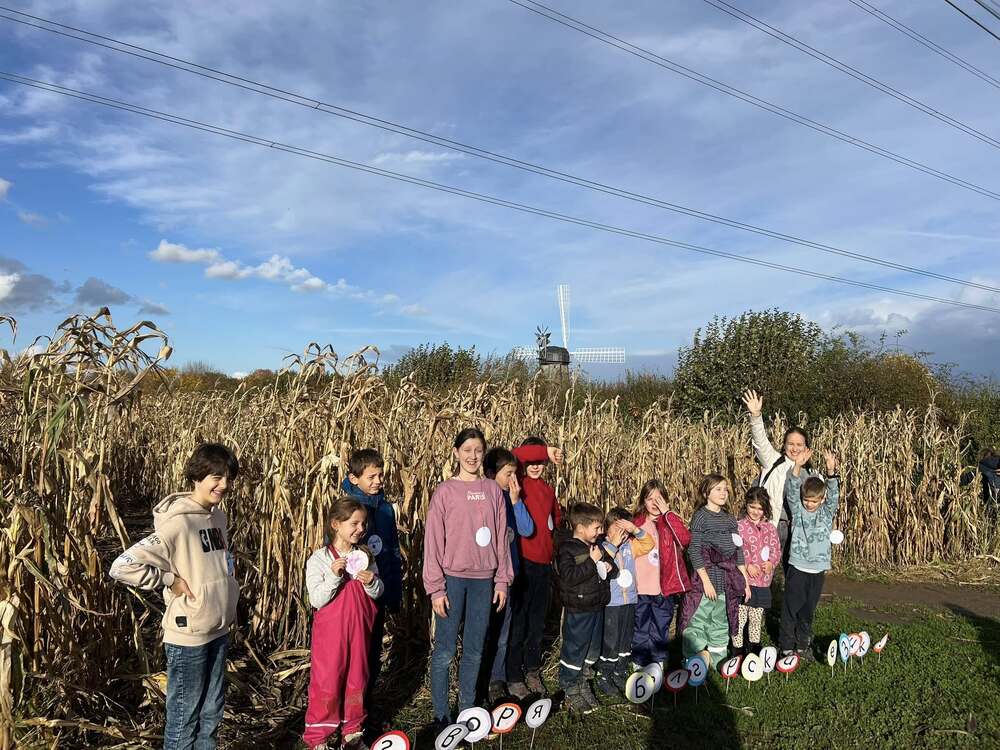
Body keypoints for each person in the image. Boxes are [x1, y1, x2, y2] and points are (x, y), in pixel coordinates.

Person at [109, 443, 240, 750]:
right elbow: (121, 566)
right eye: (216, 477)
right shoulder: (178, 522)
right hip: (188, 636)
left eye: (228, 477)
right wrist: (168, 578)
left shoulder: (217, 518)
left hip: (218, 630)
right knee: (184, 720)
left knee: (211, 715)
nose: (224, 485)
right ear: (197, 476)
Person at [423, 428, 513, 731]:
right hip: (452, 580)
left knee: (474, 649)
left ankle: (466, 711)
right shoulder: (445, 492)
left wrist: (502, 580)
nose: (473, 456)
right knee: (445, 651)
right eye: (467, 450)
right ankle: (440, 716)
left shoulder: (493, 491)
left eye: (478, 450)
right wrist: (436, 588)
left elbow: (502, 538)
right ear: (456, 452)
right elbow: (433, 542)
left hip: (483, 581)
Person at [303, 497, 384, 750]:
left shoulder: (365, 556)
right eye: (354, 523)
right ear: (336, 524)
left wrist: (372, 582)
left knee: (357, 677)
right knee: (327, 680)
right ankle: (320, 736)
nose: (361, 529)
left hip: (359, 630)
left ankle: (352, 731)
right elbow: (317, 598)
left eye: (363, 524)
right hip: (331, 635)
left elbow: (378, 591)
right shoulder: (319, 559)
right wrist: (333, 577)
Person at [340, 448, 402, 715]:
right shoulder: (347, 510)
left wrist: (394, 591)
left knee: (372, 655)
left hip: (379, 590)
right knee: (356, 658)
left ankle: (364, 709)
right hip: (355, 597)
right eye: (371, 476)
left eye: (381, 475)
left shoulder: (385, 509)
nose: (378, 481)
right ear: (354, 479)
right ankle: (349, 714)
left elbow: (392, 551)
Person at [506, 437, 564, 698]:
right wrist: (546, 450)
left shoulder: (548, 490)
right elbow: (513, 454)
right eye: (532, 461)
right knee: (519, 621)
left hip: (543, 565)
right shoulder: (519, 483)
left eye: (540, 462)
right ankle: (513, 675)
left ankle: (532, 669)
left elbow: (556, 519)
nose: (536, 465)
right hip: (523, 564)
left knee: (537, 622)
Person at [479, 447, 535, 704]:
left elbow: (526, 529)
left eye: (515, 473)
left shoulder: (510, 500)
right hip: (486, 578)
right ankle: (481, 681)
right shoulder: (484, 499)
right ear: (491, 474)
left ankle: (496, 680)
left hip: (509, 577)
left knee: (502, 634)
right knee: (485, 633)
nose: (515, 479)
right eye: (509, 473)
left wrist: (516, 499)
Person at [678, 475, 752, 668]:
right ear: (706, 493)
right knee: (699, 619)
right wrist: (706, 581)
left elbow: (738, 550)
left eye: (725, 489)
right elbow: (694, 550)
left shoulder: (729, 519)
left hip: (725, 580)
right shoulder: (701, 516)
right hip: (705, 580)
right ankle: (693, 659)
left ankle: (717, 658)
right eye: (718, 489)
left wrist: (744, 579)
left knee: (720, 620)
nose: (723, 493)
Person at [741, 389, 820, 568]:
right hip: (772, 524)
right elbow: (760, 440)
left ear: (806, 447)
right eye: (790, 444)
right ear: (784, 445)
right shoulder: (773, 460)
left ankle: (789, 596)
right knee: (762, 566)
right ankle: (761, 596)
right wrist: (755, 415)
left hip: (797, 529)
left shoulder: (811, 474)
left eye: (799, 445)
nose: (794, 448)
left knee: (793, 570)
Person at [555, 503, 619, 714]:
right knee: (575, 648)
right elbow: (569, 577)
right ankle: (569, 685)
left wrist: (610, 567)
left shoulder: (598, 546)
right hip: (579, 609)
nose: (600, 531)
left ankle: (584, 680)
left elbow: (610, 565)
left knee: (592, 649)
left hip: (596, 606)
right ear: (581, 527)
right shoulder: (567, 548)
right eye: (597, 527)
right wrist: (592, 562)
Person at [780, 449, 840, 661]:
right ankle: (786, 647)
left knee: (807, 610)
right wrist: (797, 466)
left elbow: (833, 495)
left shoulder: (825, 514)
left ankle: (802, 646)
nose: (809, 504)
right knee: (790, 609)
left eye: (814, 501)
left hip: (817, 570)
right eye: (806, 499)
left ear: (822, 500)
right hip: (797, 567)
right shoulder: (798, 511)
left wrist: (831, 471)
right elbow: (791, 488)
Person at [631, 479, 691, 668]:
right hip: (641, 587)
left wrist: (668, 514)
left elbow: (685, 539)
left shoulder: (670, 523)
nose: (655, 503)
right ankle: (639, 661)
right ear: (643, 502)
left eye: (659, 498)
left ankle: (657, 662)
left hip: (664, 588)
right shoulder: (637, 524)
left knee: (660, 625)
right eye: (650, 499)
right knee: (640, 625)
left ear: (666, 500)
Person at [596, 507, 653, 694]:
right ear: (607, 528)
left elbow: (648, 544)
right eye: (617, 528)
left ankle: (620, 671)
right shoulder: (602, 547)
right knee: (610, 640)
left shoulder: (631, 545)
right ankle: (604, 673)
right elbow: (601, 564)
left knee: (625, 638)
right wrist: (613, 543)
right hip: (612, 603)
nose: (622, 533)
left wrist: (635, 530)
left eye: (624, 529)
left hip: (629, 601)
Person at [734, 487, 780, 656]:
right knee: (740, 616)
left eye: (760, 508)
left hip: (762, 582)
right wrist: (746, 565)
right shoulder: (739, 526)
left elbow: (776, 550)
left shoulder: (770, 528)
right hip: (744, 581)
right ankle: (737, 647)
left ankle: (754, 645)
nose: (755, 511)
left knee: (755, 616)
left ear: (765, 509)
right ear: (746, 505)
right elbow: (736, 549)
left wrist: (771, 563)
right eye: (752, 507)